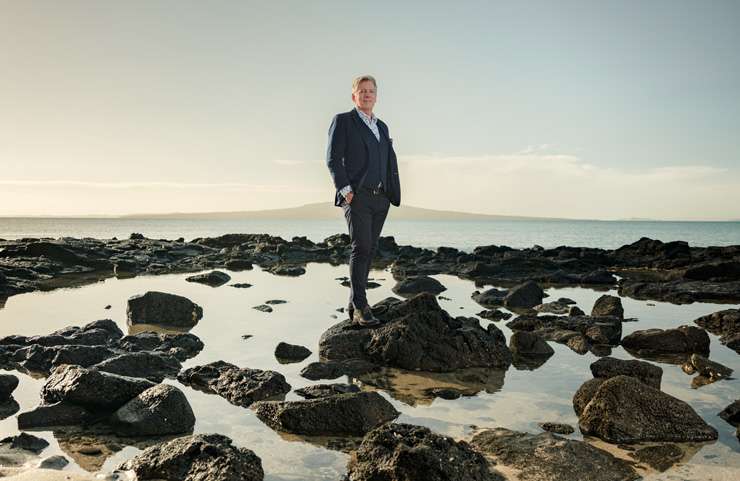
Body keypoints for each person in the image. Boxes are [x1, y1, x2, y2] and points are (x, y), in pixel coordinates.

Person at [326, 75, 401, 326]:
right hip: (356, 196)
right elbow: (333, 159)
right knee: (361, 247)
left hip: (381, 199)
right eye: (362, 91)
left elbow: (388, 161)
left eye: (371, 91)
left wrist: (391, 192)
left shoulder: (382, 127)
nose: (367, 95)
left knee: (370, 249)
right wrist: (345, 190)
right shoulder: (344, 121)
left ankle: (353, 301)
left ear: (376, 96)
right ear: (354, 96)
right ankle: (360, 306)